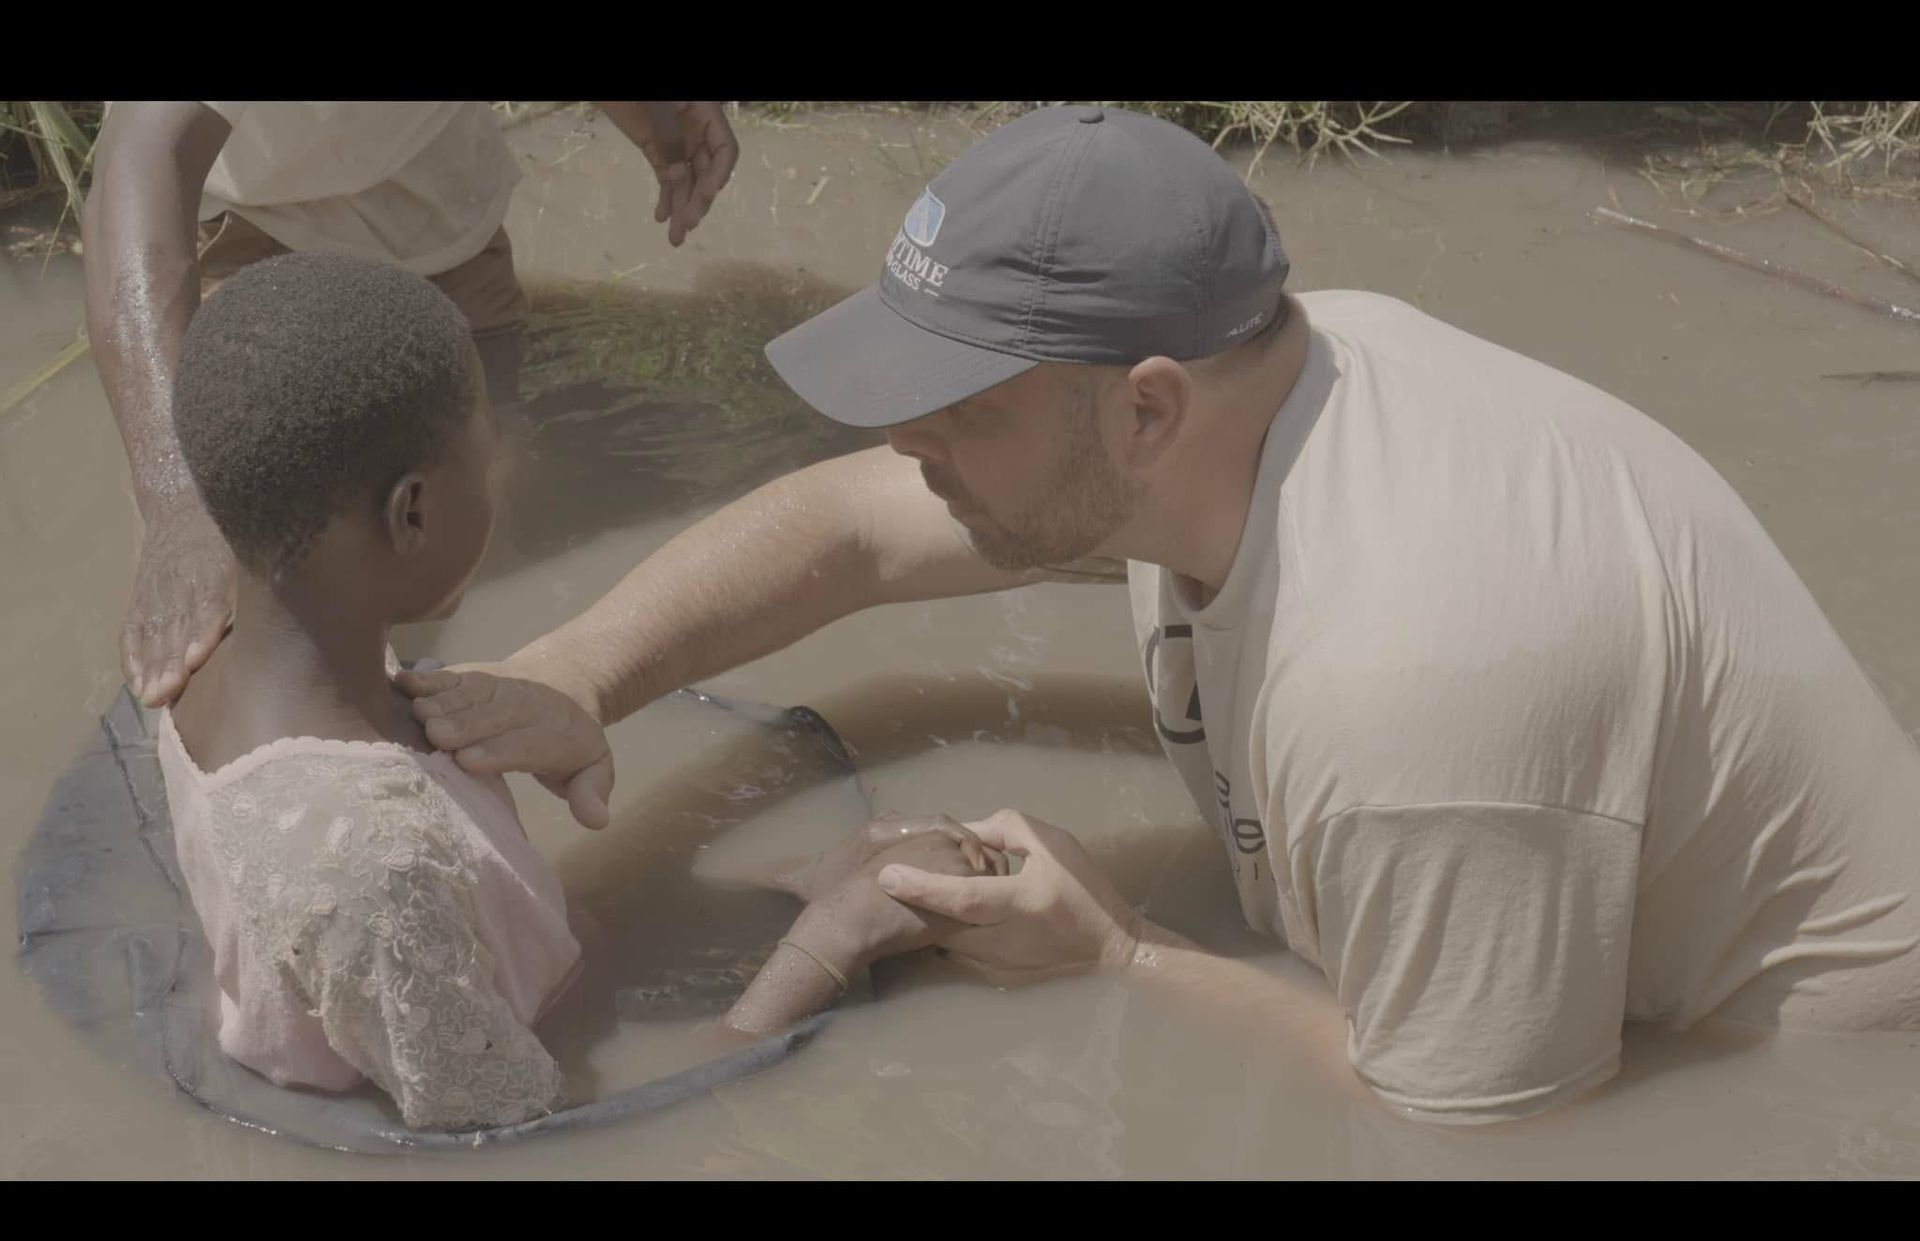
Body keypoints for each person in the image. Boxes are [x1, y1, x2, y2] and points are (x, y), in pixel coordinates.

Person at [400, 105, 1920, 1125]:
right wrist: (571, 672)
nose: (907, 445)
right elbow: (851, 530)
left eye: (951, 409)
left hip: (1794, 1073)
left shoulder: (1422, 683)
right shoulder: (1276, 386)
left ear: (1142, 411)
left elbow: (1478, 1137)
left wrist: (1118, 960)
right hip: (1491, 905)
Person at [158, 251, 991, 1130]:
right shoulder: (369, 862)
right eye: (488, 456)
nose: (506, 472)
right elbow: (537, 1134)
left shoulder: (217, 672)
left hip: (532, 992)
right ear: (411, 514)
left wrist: (804, 881)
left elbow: (493, 931)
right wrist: (833, 940)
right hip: (546, 1067)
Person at [83, 100, 739, 711]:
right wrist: (176, 497)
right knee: (236, 581)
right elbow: (137, 165)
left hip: (437, 209)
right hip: (254, 220)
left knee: (480, 505)